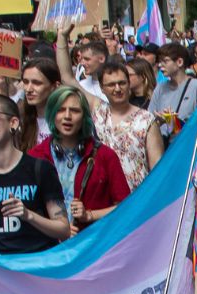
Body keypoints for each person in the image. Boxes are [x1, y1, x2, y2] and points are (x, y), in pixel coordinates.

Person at [0, 94, 67, 252]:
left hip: (34, 268)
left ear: (13, 123)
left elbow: (63, 230)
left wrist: (28, 215)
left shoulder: (40, 169)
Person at [31, 85, 130, 231]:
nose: (67, 116)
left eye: (75, 111)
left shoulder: (105, 155)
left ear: (84, 116)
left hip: (93, 244)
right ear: (52, 113)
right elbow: (28, 209)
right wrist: (58, 230)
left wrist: (89, 215)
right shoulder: (35, 156)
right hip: (49, 247)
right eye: (61, 110)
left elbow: (126, 206)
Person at [94, 61, 164, 192]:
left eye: (122, 83)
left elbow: (157, 170)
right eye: (111, 85)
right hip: (104, 199)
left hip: (136, 199)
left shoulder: (146, 120)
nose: (117, 89)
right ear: (102, 88)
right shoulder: (98, 113)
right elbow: (67, 77)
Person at [149, 42, 197, 144]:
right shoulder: (160, 87)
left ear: (179, 62)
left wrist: (172, 121)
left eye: (165, 61)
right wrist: (158, 121)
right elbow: (149, 118)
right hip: (164, 146)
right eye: (159, 61)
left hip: (186, 146)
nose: (160, 65)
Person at [15, 57, 62, 152]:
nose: (28, 89)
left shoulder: (65, 120)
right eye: (25, 82)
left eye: (37, 83)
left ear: (55, 86)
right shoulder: (21, 120)